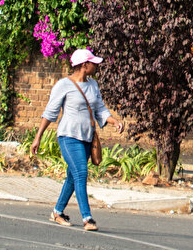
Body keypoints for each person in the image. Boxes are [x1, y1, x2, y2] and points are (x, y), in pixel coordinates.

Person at [30, 48, 124, 231]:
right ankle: (87, 218)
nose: (97, 66)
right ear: (84, 65)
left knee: (73, 177)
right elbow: (50, 113)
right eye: (93, 63)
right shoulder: (63, 85)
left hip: (87, 138)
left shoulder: (93, 85)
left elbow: (100, 110)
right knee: (81, 173)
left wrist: (114, 122)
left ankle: (57, 212)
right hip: (68, 137)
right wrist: (37, 137)